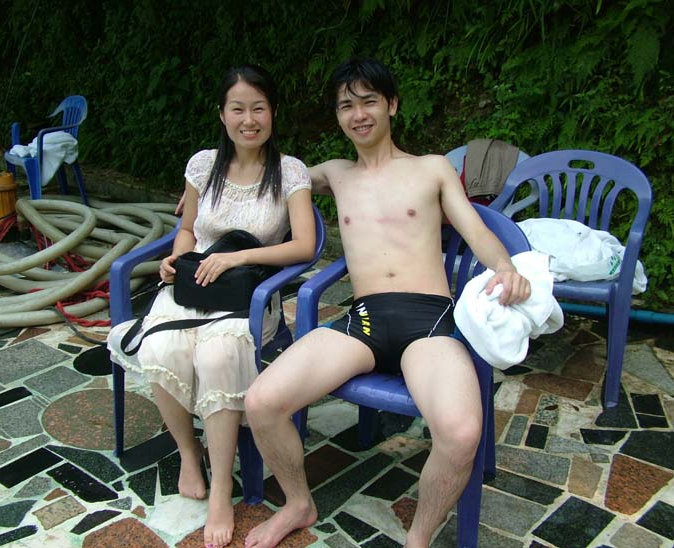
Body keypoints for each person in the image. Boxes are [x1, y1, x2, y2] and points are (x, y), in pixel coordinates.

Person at [243, 58, 531, 548]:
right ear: (337, 116)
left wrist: (504, 266)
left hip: (428, 323)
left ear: (392, 105)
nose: (358, 114)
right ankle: (297, 504)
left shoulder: (431, 168)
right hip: (364, 321)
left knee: (462, 433)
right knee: (261, 402)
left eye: (369, 101)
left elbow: (475, 229)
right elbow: (265, 174)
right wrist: (203, 191)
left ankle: (418, 537)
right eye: (346, 106)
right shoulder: (335, 174)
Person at [107, 65, 315, 548]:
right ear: (222, 115)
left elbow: (305, 245)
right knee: (160, 349)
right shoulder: (203, 166)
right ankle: (188, 451)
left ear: (273, 112)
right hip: (192, 288)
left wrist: (237, 257)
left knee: (218, 356)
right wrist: (176, 258)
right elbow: (187, 229)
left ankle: (222, 486)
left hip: (247, 295)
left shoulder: (290, 171)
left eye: (258, 108)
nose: (249, 120)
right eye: (238, 109)